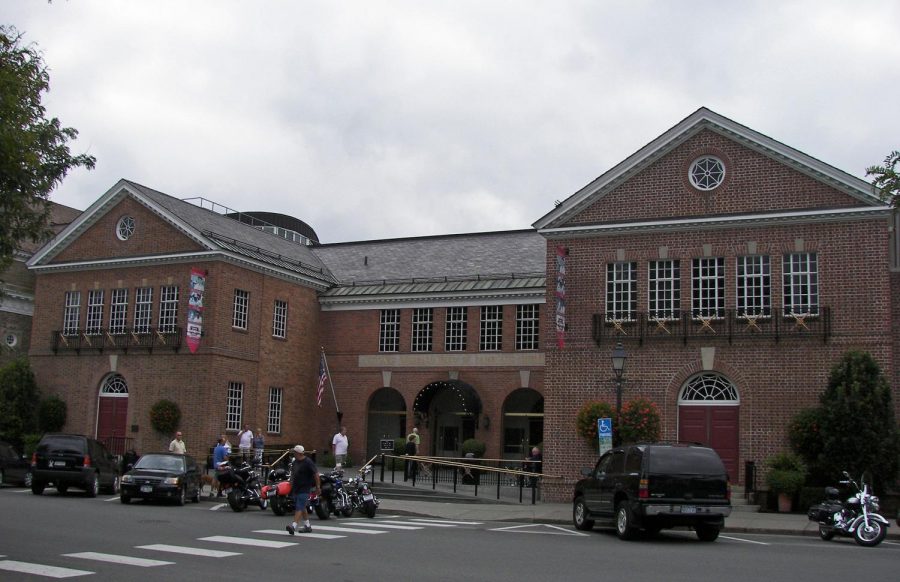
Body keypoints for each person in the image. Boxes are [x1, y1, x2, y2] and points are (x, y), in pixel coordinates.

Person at [285, 445, 321, 535]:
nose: (294, 454)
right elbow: (293, 473)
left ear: (299, 453)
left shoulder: (308, 462)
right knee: (302, 506)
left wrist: (318, 486)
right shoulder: (295, 462)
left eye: (295, 452)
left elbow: (316, 474)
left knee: (299, 506)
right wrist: (290, 483)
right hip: (296, 487)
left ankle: (293, 526)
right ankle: (307, 526)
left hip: (305, 487)